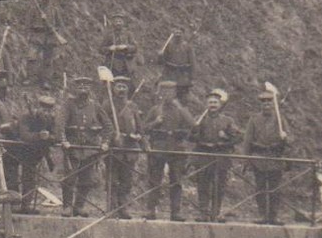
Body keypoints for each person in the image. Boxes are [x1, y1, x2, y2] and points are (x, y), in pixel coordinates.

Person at [144, 82, 196, 221]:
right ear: (160, 93)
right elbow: (144, 128)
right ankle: (151, 210)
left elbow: (193, 126)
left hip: (176, 148)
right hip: (158, 147)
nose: (167, 95)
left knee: (176, 181)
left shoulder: (181, 109)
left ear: (175, 94)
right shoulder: (155, 110)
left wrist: (182, 109)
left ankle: (175, 212)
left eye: (171, 92)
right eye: (165, 92)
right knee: (154, 180)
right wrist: (155, 122)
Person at [56, 78, 106, 217]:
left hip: (90, 149)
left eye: (86, 86)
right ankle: (67, 206)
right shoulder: (68, 104)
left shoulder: (95, 106)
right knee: (70, 178)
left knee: (87, 180)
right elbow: (60, 124)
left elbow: (108, 126)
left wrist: (105, 142)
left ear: (90, 89)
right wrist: (64, 140)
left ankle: (79, 206)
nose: (83, 88)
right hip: (73, 147)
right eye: (80, 86)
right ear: (75, 88)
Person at [190, 91, 242, 221]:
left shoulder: (227, 120)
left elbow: (239, 137)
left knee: (219, 186)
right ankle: (203, 213)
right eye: (210, 102)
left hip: (220, 156)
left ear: (220, 105)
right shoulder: (199, 119)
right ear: (206, 104)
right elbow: (190, 137)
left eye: (215, 102)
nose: (212, 105)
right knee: (202, 185)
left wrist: (226, 138)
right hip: (203, 155)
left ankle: (215, 213)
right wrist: (195, 130)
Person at [243, 86, 290, 225]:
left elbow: (290, 140)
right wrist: (247, 160)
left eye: (269, 102)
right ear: (261, 105)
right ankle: (263, 215)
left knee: (275, 189)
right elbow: (247, 140)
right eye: (264, 102)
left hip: (275, 157)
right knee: (260, 188)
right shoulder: (254, 119)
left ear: (273, 104)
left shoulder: (280, 120)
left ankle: (273, 216)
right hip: (259, 158)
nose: (267, 105)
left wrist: (285, 137)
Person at [6, 94, 59, 214]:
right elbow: (25, 135)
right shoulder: (26, 116)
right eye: (43, 109)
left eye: (49, 110)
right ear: (38, 107)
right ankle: (13, 204)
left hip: (32, 152)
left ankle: (26, 205)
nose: (46, 112)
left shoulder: (51, 120)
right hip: (14, 149)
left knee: (29, 179)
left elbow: (57, 136)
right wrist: (39, 136)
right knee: (12, 177)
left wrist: (49, 136)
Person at [102, 76, 145, 218]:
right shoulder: (108, 105)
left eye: (124, 87)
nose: (121, 90)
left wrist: (139, 137)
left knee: (126, 181)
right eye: (119, 87)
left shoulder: (133, 106)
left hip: (130, 150)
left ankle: (123, 207)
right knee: (112, 180)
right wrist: (114, 135)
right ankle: (111, 207)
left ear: (128, 89)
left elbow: (139, 127)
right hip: (114, 149)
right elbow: (103, 125)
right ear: (113, 89)